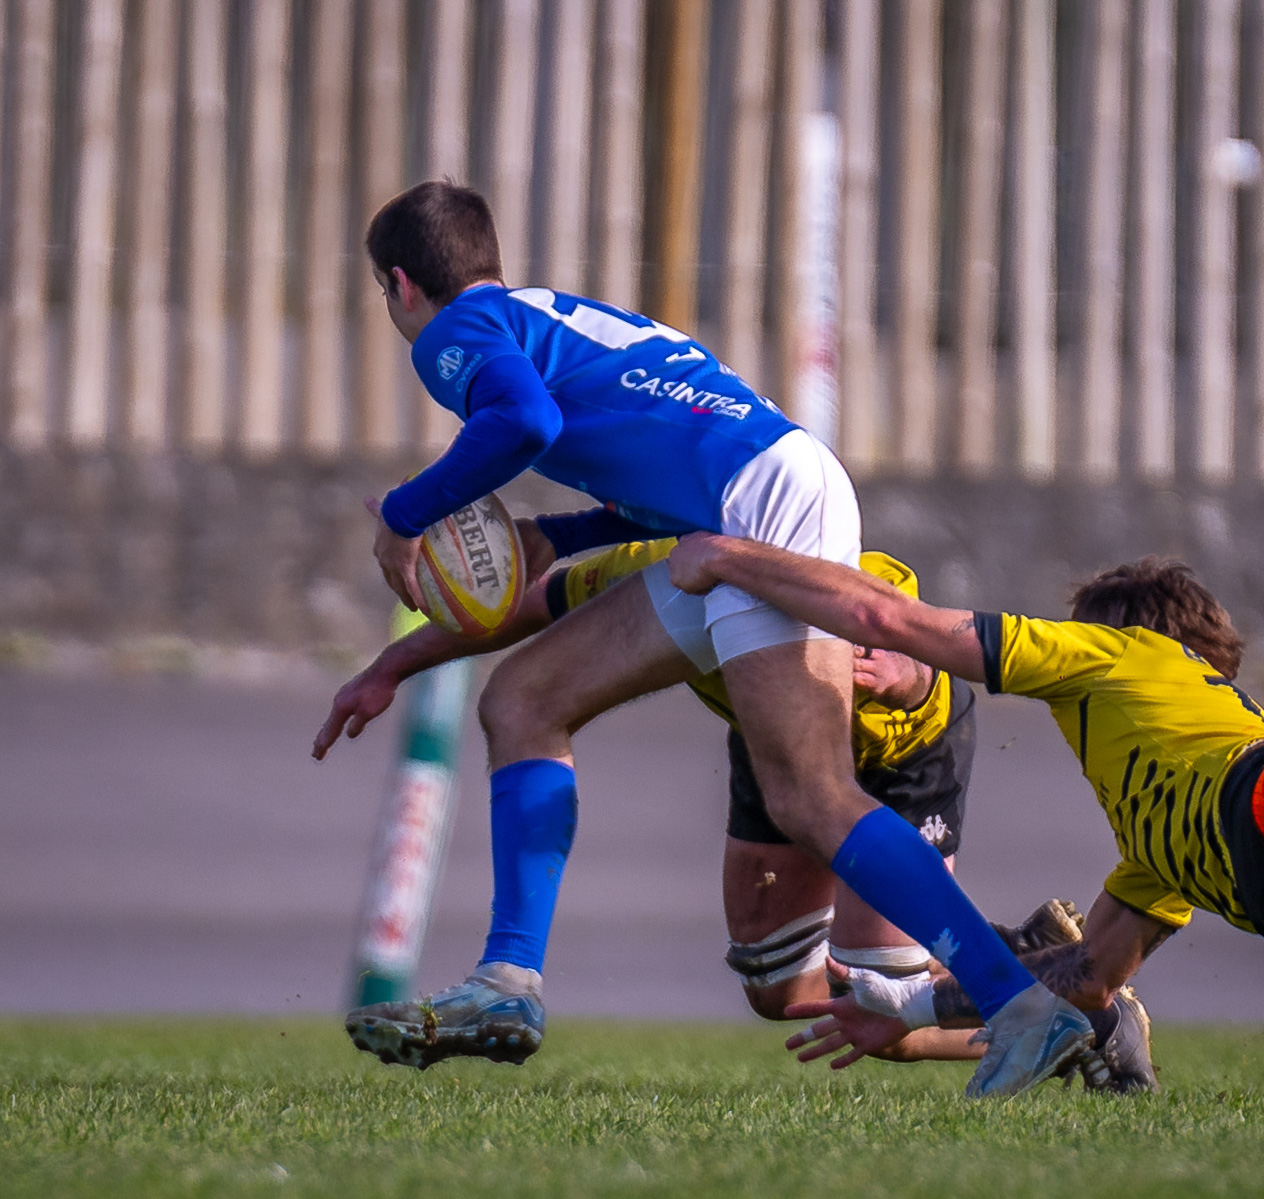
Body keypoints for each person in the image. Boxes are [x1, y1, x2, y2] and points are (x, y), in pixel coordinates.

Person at [331, 181, 1090, 1097]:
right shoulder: (549, 323)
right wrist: (545, 542)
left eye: (387, 296)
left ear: (402, 286)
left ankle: (1022, 1002)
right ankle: (508, 982)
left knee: (810, 794)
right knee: (523, 700)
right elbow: (640, 487)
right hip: (740, 510)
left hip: (757, 512)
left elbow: (521, 423)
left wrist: (407, 516)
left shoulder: (458, 332)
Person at [665, 505, 1264, 1078]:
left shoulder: (1116, 651)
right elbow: (1087, 978)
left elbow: (896, 614)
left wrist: (731, 558)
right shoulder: (1152, 858)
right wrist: (910, 1013)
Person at [318, 528, 1146, 1083]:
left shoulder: (837, 564)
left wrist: (913, 671)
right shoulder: (663, 561)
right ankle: (1030, 953)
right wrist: (393, 663)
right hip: (775, 745)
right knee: (778, 992)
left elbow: (918, 629)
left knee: (880, 1000)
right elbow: (529, 605)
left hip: (903, 755)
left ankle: (1082, 1016)